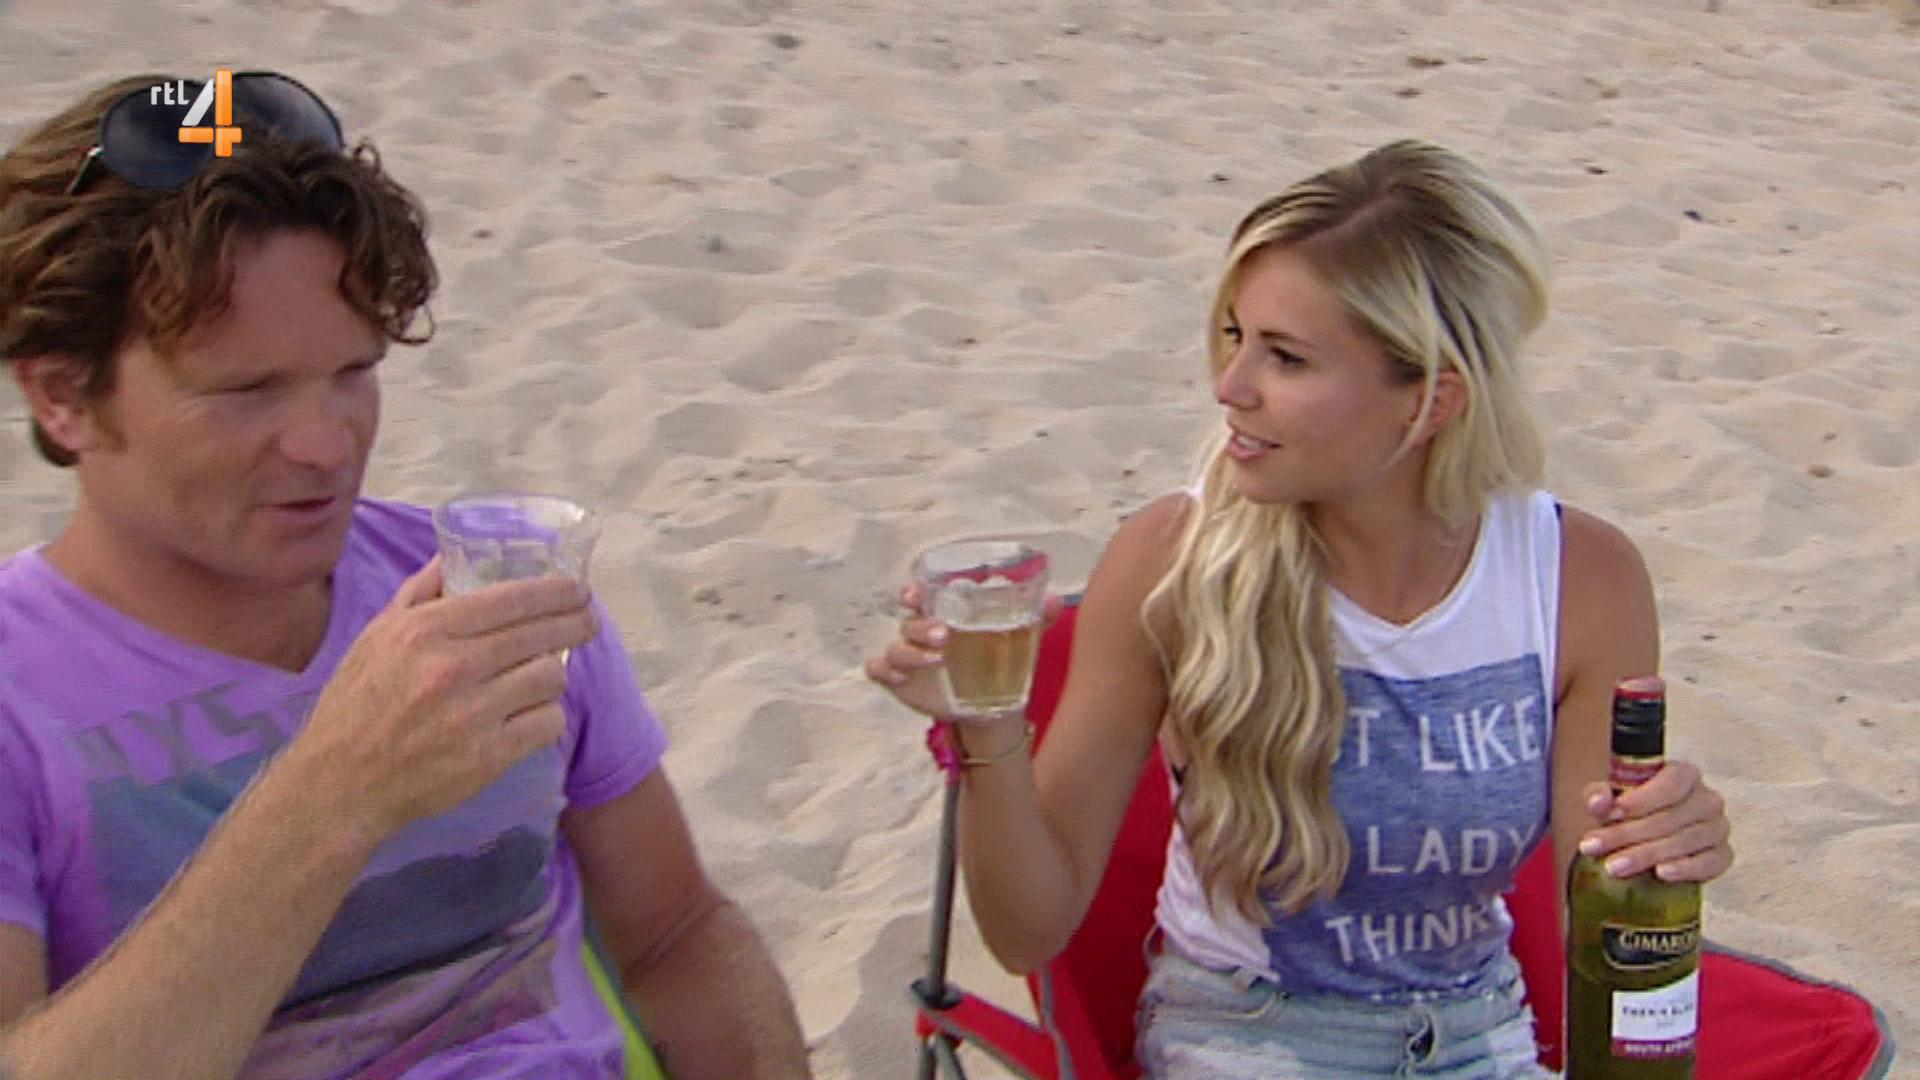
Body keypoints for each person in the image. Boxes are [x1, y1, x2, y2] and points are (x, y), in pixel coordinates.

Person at [0, 72, 810, 1079]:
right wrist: (335, 795)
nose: (325, 445)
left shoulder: (482, 588)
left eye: (354, 372)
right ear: (64, 395)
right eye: (247, 391)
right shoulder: (21, 697)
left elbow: (676, 934)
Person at [866, 140, 1735, 1078]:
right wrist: (988, 729)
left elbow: (1596, 919)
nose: (1229, 387)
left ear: (1431, 401)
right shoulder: (1174, 565)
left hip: (1481, 1038)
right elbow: (1028, 932)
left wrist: (1663, 848)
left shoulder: (1577, 580)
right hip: (1246, 1036)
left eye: (1284, 357)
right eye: (1235, 335)